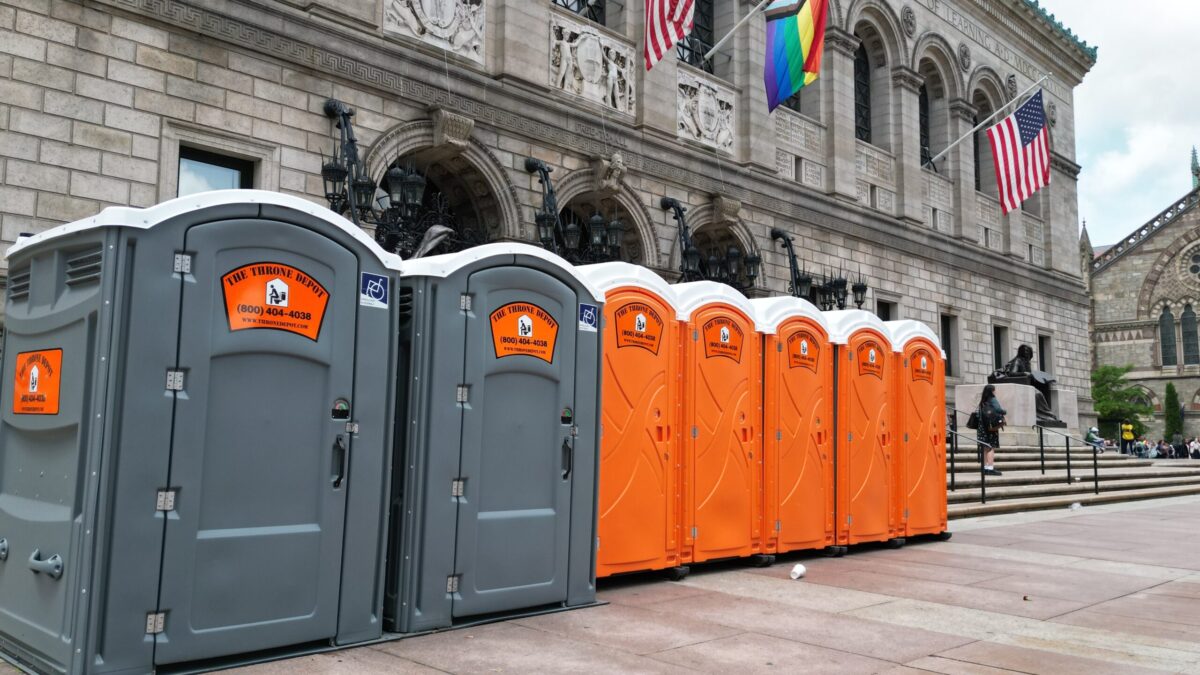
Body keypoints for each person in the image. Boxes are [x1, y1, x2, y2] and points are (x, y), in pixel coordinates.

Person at [977, 384, 1006, 476]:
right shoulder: (992, 399)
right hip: (991, 426)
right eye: (994, 390)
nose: (995, 391)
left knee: (985, 448)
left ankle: (985, 468)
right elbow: (998, 409)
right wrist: (1004, 411)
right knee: (991, 447)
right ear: (992, 391)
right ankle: (990, 468)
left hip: (982, 426)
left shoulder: (983, 400)